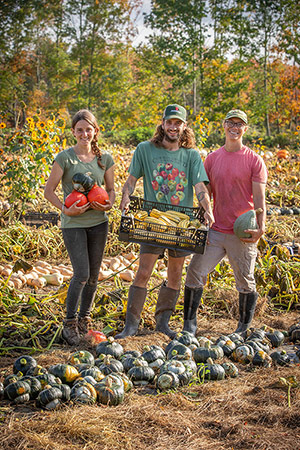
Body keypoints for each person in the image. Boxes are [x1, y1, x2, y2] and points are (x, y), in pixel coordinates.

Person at [115, 104, 214, 340]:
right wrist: (125, 197)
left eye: (178, 123)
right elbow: (131, 180)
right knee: (143, 272)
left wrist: (207, 208)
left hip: (181, 224)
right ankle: (131, 326)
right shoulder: (145, 150)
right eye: (169, 122)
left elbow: (200, 187)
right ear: (162, 123)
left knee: (175, 274)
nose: (173, 127)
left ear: (184, 126)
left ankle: (162, 323)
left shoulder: (191, 155)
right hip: (153, 221)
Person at [182, 109, 268, 336]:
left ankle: (242, 327)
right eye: (231, 122)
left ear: (245, 129)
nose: (234, 127)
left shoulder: (254, 161)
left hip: (242, 231)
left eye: (239, 124)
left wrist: (261, 227)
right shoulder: (212, 158)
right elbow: (204, 192)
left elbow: (259, 199)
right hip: (216, 229)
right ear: (224, 125)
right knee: (194, 272)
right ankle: (189, 325)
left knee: (245, 280)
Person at [44, 109, 115, 345]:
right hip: (73, 224)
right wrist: (65, 210)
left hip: (98, 223)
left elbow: (111, 190)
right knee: (82, 273)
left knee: (94, 276)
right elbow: (49, 191)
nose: (85, 133)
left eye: (89, 129)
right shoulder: (65, 158)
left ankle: (85, 320)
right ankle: (69, 323)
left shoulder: (104, 159)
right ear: (74, 132)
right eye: (80, 130)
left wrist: (109, 204)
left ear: (95, 131)